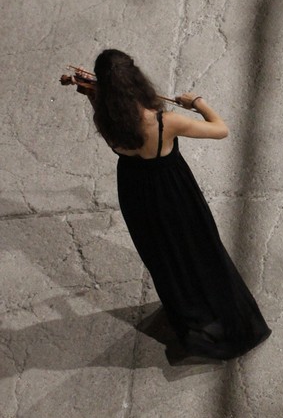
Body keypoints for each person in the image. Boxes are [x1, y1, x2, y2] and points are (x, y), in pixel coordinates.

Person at [84, 49, 271, 360]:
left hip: (134, 193)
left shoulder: (106, 120)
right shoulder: (163, 122)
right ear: (135, 80)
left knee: (165, 257)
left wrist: (94, 96)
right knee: (200, 250)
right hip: (172, 193)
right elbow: (220, 129)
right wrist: (198, 103)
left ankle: (185, 307)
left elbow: (110, 123)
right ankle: (223, 314)